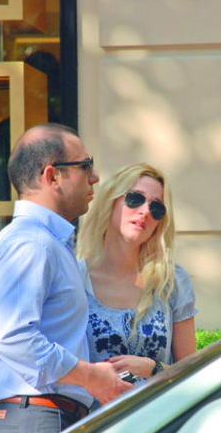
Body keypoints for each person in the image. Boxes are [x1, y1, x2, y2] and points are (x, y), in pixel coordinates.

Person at [0, 123, 132, 433]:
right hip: (37, 424)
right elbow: (11, 336)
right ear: (52, 176)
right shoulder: (31, 243)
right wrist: (89, 376)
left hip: (42, 422)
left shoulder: (44, 243)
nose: (95, 178)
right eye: (85, 166)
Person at [75, 163, 198, 386]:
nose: (145, 211)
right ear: (111, 201)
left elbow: (192, 373)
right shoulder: (75, 278)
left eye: (156, 207)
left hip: (158, 407)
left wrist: (153, 368)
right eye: (135, 199)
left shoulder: (172, 282)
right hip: (95, 409)